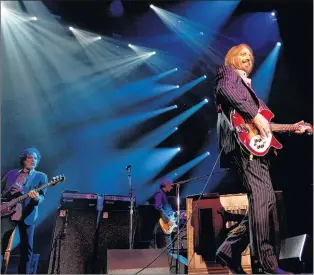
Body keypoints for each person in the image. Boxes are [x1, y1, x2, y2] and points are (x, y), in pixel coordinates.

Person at [212, 43, 307, 274]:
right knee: (263, 201)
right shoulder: (228, 75)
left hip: (254, 150)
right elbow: (225, 91)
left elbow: (261, 126)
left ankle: (228, 249)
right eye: (242, 54)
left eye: (250, 55)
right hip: (243, 150)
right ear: (232, 58)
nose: (248, 57)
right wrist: (255, 114)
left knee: (265, 203)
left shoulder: (246, 90)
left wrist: (293, 128)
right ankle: (266, 264)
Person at [1, 147, 48, 274]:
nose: (33, 160)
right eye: (30, 157)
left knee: (26, 249)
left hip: (27, 214)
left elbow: (41, 198)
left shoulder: (41, 176)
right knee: (1, 244)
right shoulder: (12, 173)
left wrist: (36, 197)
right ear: (24, 159)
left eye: (36, 158)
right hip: (7, 213)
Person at [150, 178, 174, 254]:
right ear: (166, 185)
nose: (172, 187)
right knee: (167, 245)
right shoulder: (159, 194)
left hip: (165, 221)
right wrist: (167, 220)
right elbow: (158, 207)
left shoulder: (163, 194)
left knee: (167, 245)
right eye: (171, 185)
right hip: (163, 223)